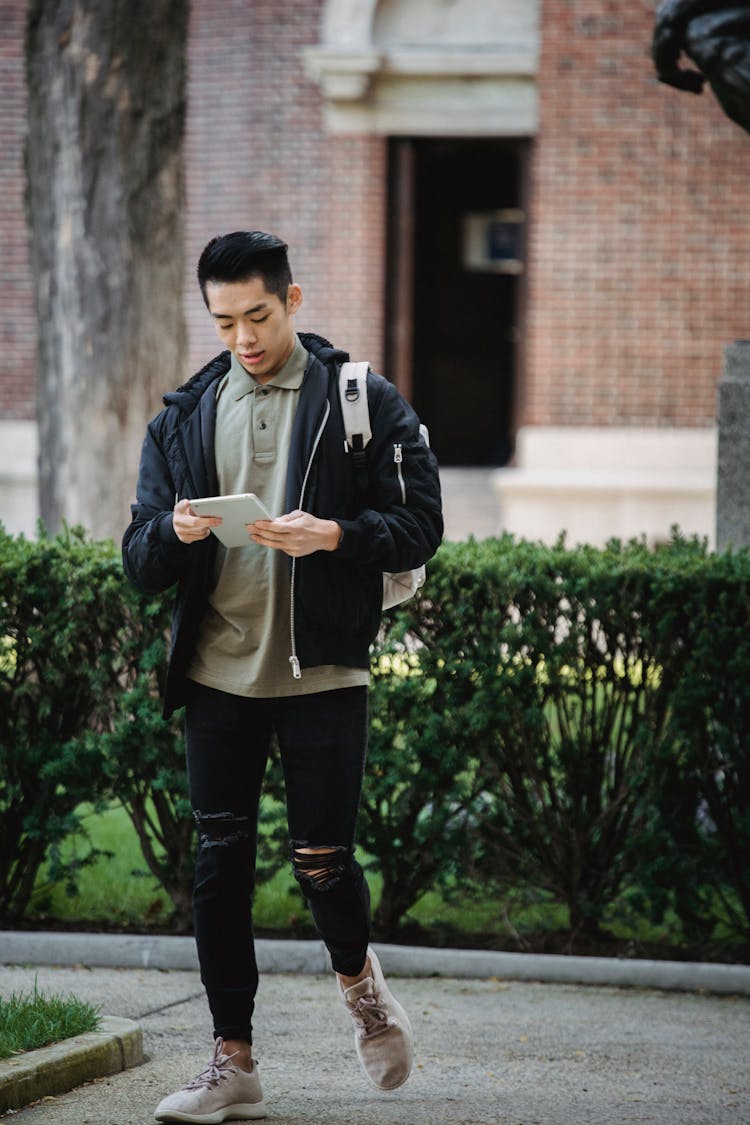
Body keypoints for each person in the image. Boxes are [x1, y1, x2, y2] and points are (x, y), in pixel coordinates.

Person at [122, 230, 443, 1123]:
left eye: (256, 316)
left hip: (323, 675)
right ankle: (233, 1061)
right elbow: (137, 558)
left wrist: (334, 535)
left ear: (292, 301)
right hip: (218, 674)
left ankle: (362, 988)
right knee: (219, 863)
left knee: (323, 862)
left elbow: (421, 525)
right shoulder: (184, 416)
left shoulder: (359, 398)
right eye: (224, 322)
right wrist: (173, 534)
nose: (242, 339)